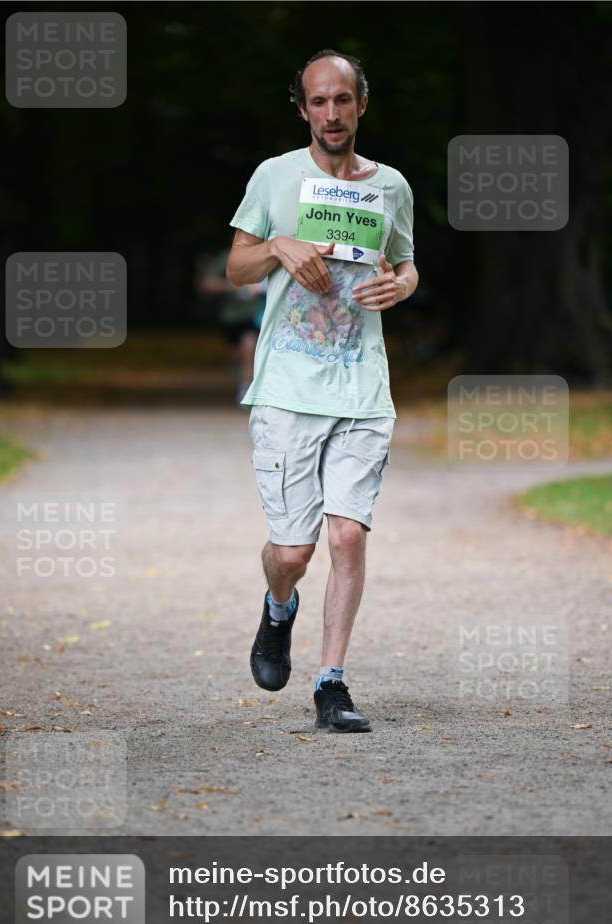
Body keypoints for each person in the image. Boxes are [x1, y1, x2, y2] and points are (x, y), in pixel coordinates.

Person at [227, 49, 418, 733]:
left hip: (361, 385)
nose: (331, 114)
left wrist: (399, 285)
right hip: (286, 385)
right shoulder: (275, 177)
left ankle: (331, 683)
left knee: (346, 539)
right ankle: (279, 606)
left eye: (342, 100)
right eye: (318, 102)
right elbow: (234, 264)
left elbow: (405, 263)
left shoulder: (390, 186)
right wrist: (278, 247)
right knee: (292, 552)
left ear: (361, 104)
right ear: (301, 107)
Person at [198, 248, 267, 404]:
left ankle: (246, 388)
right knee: (236, 356)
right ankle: (242, 377)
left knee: (249, 348)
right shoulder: (226, 258)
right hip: (231, 317)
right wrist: (233, 287)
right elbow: (208, 283)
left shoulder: (266, 255)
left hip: (254, 316)